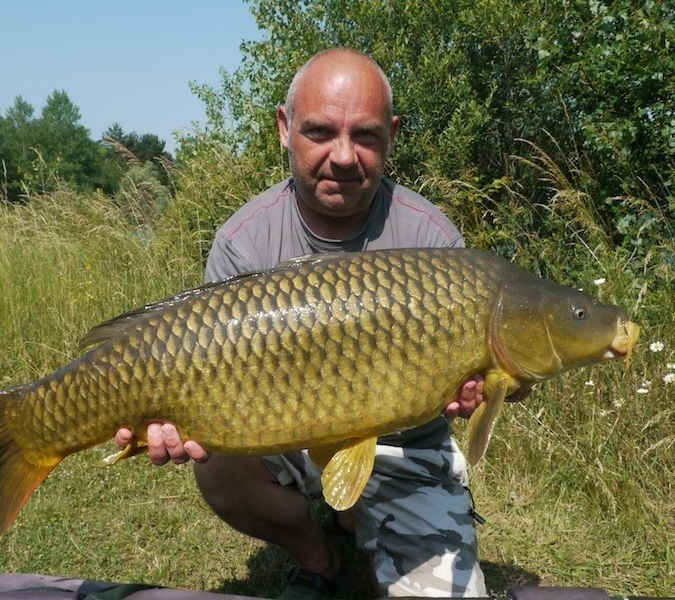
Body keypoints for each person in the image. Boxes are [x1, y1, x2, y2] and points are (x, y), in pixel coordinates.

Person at [116, 48, 493, 598]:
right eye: (320, 132)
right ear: (284, 128)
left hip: (403, 448)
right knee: (215, 462)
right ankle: (318, 558)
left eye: (364, 136)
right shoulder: (244, 241)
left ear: (390, 135)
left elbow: (504, 377)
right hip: (281, 435)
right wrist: (167, 417)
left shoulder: (434, 241)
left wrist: (491, 385)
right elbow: (200, 368)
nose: (344, 156)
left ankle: (359, 515)